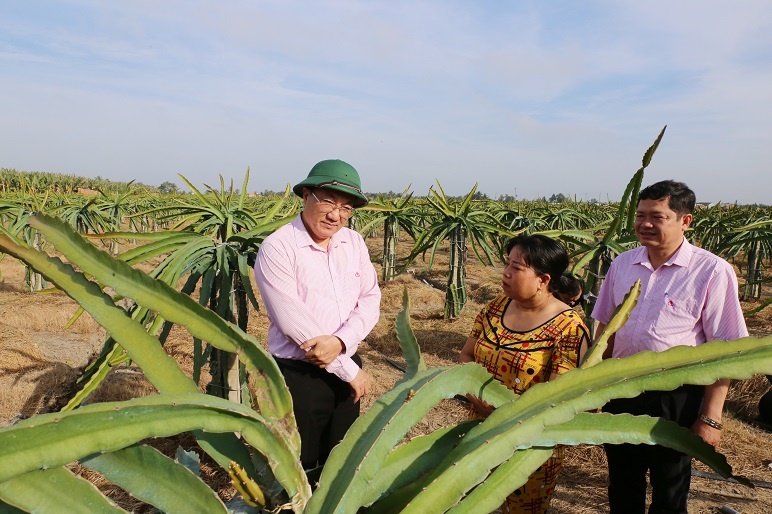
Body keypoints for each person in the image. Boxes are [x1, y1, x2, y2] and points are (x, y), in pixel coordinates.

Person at [591, 180, 748, 514]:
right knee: (622, 482)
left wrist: (711, 418)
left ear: (685, 221)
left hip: (676, 397)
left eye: (657, 216)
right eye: (640, 215)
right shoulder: (622, 264)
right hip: (622, 389)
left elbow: (727, 352)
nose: (645, 224)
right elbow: (605, 330)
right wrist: (591, 389)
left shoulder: (712, 271)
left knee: (670, 487)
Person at [254, 159, 381, 469]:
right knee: (300, 465)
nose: (336, 215)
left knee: (339, 461)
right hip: (300, 377)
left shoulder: (353, 242)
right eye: (328, 201)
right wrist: (350, 372)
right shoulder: (278, 247)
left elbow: (370, 298)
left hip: (346, 368)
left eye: (346, 208)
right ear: (306, 194)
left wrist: (340, 342)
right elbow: (294, 323)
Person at [459, 235, 589, 514]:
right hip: (477, 430)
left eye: (516, 268)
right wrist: (478, 400)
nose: (505, 272)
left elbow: (557, 395)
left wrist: (505, 414)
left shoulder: (568, 327)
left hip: (529, 445)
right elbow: (466, 355)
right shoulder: (495, 307)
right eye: (507, 263)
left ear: (543, 280)